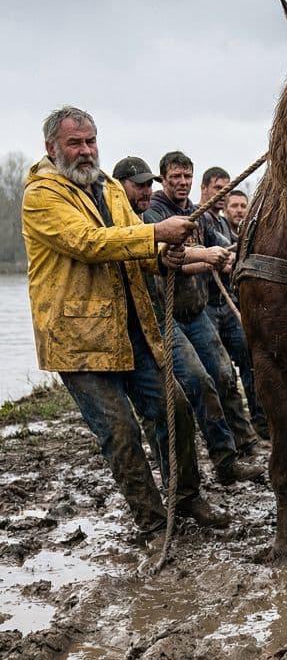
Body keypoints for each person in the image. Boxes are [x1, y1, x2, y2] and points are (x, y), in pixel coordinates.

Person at [22, 109, 230, 549]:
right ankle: (153, 523)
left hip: (132, 327)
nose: (86, 151)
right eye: (75, 143)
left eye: (91, 141)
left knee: (174, 408)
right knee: (120, 432)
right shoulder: (41, 196)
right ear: (51, 149)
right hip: (78, 340)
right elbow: (88, 243)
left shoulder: (110, 189)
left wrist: (165, 255)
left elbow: (136, 241)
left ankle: (187, 497)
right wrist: (158, 233)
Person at [113, 158, 260, 483]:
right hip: (166, 317)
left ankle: (237, 451)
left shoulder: (197, 212)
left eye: (187, 176)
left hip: (197, 312)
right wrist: (207, 258)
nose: (182, 182)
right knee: (194, 384)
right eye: (175, 176)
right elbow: (170, 257)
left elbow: (216, 246)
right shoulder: (152, 216)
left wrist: (228, 255)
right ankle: (212, 464)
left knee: (221, 376)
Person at [200, 167, 267, 437]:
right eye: (219, 189)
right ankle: (231, 431)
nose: (238, 209)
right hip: (207, 305)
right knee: (219, 372)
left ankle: (260, 421)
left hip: (229, 306)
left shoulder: (234, 228)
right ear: (205, 189)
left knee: (250, 358)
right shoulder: (203, 220)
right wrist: (217, 259)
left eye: (242, 204)